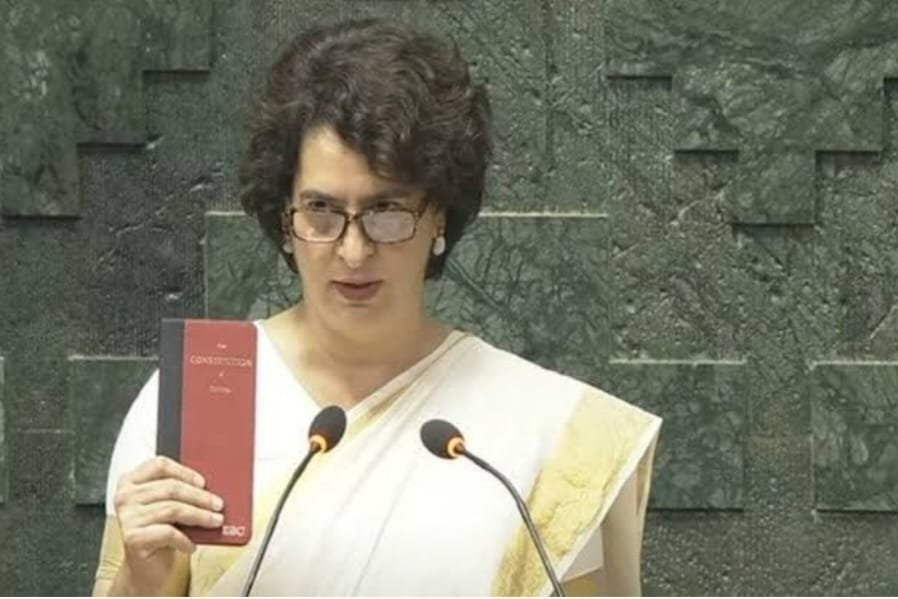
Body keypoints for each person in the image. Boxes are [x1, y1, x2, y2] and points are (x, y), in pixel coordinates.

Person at [92, 18, 661, 596]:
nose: (354, 249)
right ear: (284, 219)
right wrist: (145, 577)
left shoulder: (547, 434)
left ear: (438, 214)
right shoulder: (197, 397)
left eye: (387, 210)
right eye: (321, 210)